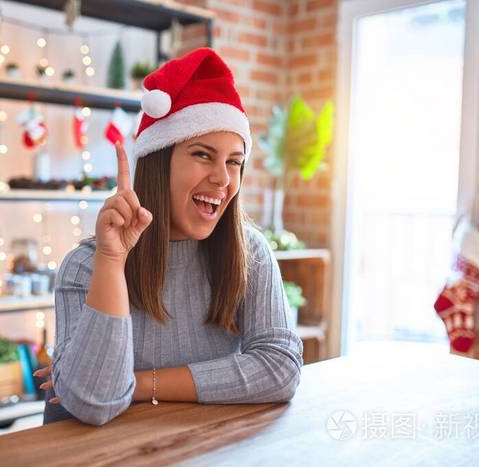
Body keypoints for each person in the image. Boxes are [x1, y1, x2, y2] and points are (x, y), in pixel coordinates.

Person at [35, 47, 303, 426]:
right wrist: (112, 260)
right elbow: (95, 403)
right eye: (203, 155)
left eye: (234, 161)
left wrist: (140, 384)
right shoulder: (86, 265)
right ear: (160, 161)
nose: (223, 179)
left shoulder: (249, 252)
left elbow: (280, 369)